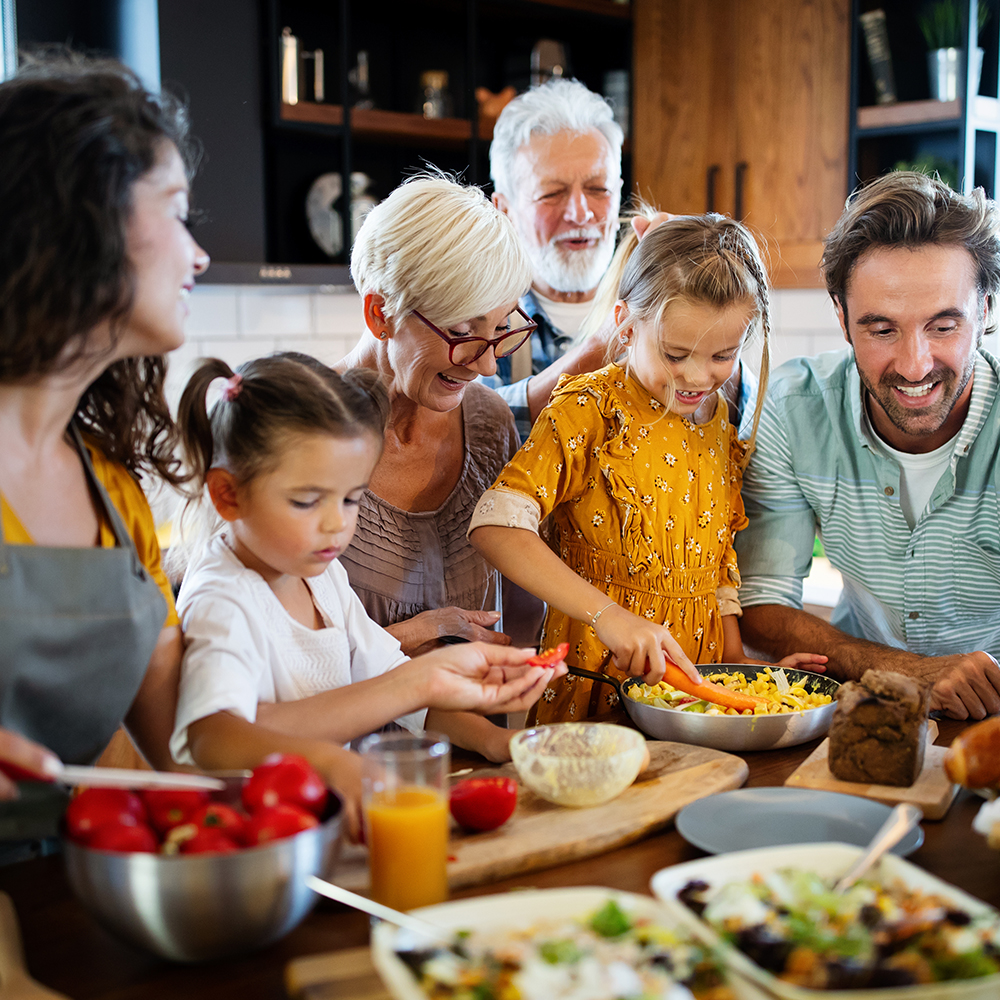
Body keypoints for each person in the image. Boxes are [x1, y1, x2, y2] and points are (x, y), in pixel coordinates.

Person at [169, 354, 566, 833]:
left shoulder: (319, 573)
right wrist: (332, 760)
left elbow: (395, 681)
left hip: (335, 825)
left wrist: (496, 742)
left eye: (351, 498)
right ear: (228, 494)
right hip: (263, 839)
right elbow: (213, 737)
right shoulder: (223, 596)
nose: (338, 524)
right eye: (306, 501)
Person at [470, 213, 826, 724]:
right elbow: (495, 526)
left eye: (723, 355)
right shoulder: (589, 411)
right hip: (599, 684)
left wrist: (739, 671)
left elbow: (717, 567)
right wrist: (608, 616)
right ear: (626, 321)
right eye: (676, 353)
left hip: (696, 695)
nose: (697, 377)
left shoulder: (717, 420)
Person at [0, 53, 209, 816]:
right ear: (80, 215)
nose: (199, 253)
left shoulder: (114, 498)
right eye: (177, 209)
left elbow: (173, 754)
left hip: (88, 894)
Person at [735, 170, 1000, 721]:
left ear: (987, 310)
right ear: (841, 317)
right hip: (863, 706)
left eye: (944, 327)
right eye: (881, 330)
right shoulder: (792, 408)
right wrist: (906, 671)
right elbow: (762, 604)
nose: (913, 365)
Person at [336, 176, 542, 755]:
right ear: (380, 313)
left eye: (499, 330)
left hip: (474, 763)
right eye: (460, 333)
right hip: (339, 781)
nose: (488, 365)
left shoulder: (487, 423)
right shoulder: (299, 436)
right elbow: (280, 667)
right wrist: (422, 632)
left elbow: (521, 609)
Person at [483, 78, 625, 441]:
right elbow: (473, 431)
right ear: (505, 210)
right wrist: (599, 349)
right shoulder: (479, 320)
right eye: (552, 193)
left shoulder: (655, 300)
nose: (580, 213)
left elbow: (740, 418)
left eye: (598, 189)